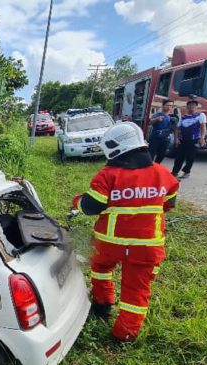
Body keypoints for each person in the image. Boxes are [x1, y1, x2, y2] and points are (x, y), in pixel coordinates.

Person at [72, 122, 179, 342]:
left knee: (100, 269)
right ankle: (125, 333)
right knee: (136, 291)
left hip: (109, 244)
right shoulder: (163, 174)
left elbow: (91, 206)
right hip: (146, 248)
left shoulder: (108, 175)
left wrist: (78, 202)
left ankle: (103, 304)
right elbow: (170, 203)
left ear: (114, 148)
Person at [172, 100, 207, 179]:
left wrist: (202, 138)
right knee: (179, 157)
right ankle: (174, 172)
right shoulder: (183, 117)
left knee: (190, 157)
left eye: (193, 106)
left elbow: (203, 127)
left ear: (196, 107)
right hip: (183, 140)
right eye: (190, 105)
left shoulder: (201, 115)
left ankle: (186, 172)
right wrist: (176, 139)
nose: (191, 107)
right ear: (187, 107)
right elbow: (177, 129)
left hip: (194, 140)